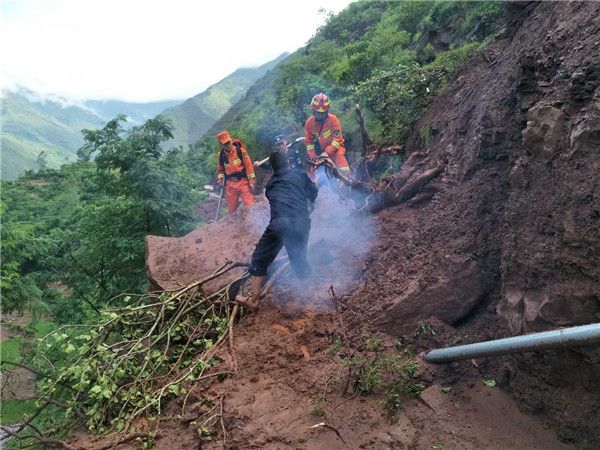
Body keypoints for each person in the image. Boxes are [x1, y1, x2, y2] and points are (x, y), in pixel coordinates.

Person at [237, 151, 318, 311]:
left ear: (272, 167)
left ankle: (254, 300)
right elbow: (313, 194)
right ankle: (310, 292)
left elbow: (275, 198)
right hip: (301, 223)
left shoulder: (271, 185)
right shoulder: (300, 175)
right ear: (288, 162)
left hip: (279, 225)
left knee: (259, 259)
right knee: (298, 259)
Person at [304, 93, 350, 186]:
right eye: (318, 113)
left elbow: (338, 139)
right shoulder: (309, 123)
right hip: (321, 152)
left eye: (322, 113)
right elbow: (309, 143)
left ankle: (346, 182)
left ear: (327, 111)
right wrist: (313, 157)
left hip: (336, 150)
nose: (320, 115)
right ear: (313, 110)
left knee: (340, 160)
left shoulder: (333, 119)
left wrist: (327, 152)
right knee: (313, 172)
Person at [216, 130, 256, 214]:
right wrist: (220, 180)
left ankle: (253, 223)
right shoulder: (220, 155)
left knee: (249, 205)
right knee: (231, 210)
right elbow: (220, 170)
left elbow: (249, 167)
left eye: (228, 142)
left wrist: (251, 181)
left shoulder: (240, 151)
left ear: (230, 140)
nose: (227, 145)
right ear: (221, 144)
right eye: (225, 144)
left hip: (243, 182)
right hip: (230, 185)